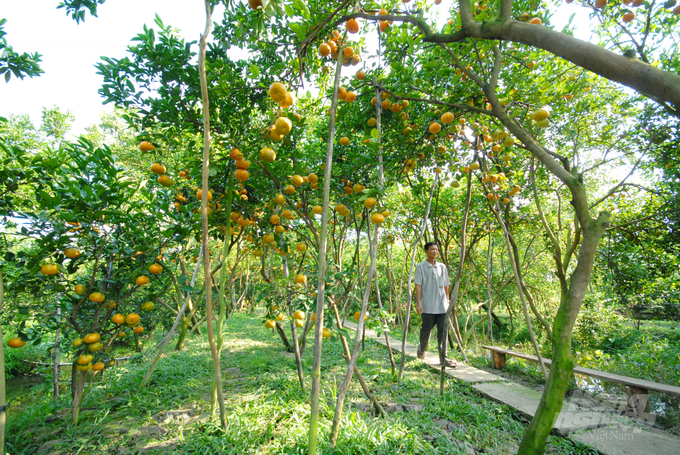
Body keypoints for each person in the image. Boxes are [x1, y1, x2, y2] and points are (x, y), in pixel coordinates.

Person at [415, 241, 456, 368]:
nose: (435, 251)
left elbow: (446, 285)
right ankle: (422, 348)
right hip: (427, 304)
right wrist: (419, 303)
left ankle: (443, 358)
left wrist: (447, 300)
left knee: (443, 331)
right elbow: (418, 285)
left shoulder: (442, 267)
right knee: (426, 329)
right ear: (426, 251)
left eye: (436, 249)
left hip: (442, 305)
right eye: (432, 249)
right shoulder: (420, 267)